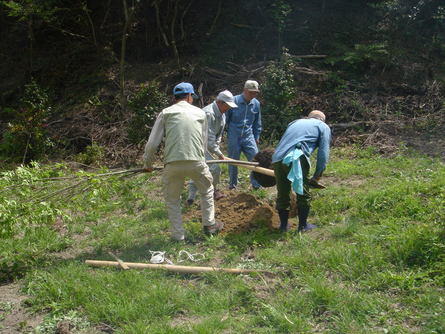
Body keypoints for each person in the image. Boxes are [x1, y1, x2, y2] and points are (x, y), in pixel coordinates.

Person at [143, 82, 224, 240]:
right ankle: (209, 226)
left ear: (174, 98)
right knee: (207, 191)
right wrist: (203, 161)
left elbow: (152, 144)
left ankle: (178, 236)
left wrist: (148, 164)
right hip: (196, 161)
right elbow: (204, 141)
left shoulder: (166, 113)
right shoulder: (200, 113)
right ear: (189, 97)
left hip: (172, 163)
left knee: (173, 199)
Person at [271, 110, 331, 232]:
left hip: (277, 158)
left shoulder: (294, 122)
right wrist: (317, 176)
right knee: (303, 192)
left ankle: (283, 226)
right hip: (296, 156)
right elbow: (323, 154)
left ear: (308, 117)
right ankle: (303, 226)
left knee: (283, 193)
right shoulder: (323, 126)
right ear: (322, 120)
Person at [187, 90, 237, 205]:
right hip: (197, 144)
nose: (229, 108)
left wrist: (217, 147)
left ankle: (192, 197)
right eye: (227, 105)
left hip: (207, 144)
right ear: (220, 102)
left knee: (199, 169)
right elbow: (208, 139)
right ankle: (211, 192)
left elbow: (218, 135)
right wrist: (219, 153)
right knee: (214, 168)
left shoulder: (222, 114)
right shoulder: (209, 114)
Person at [226, 80, 262, 190]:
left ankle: (256, 184)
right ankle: (232, 185)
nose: (253, 95)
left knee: (255, 159)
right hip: (234, 136)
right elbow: (226, 119)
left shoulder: (256, 104)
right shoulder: (234, 101)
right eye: (251, 92)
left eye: (255, 93)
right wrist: (227, 133)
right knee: (233, 161)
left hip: (248, 135)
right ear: (245, 90)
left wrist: (257, 136)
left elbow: (257, 121)